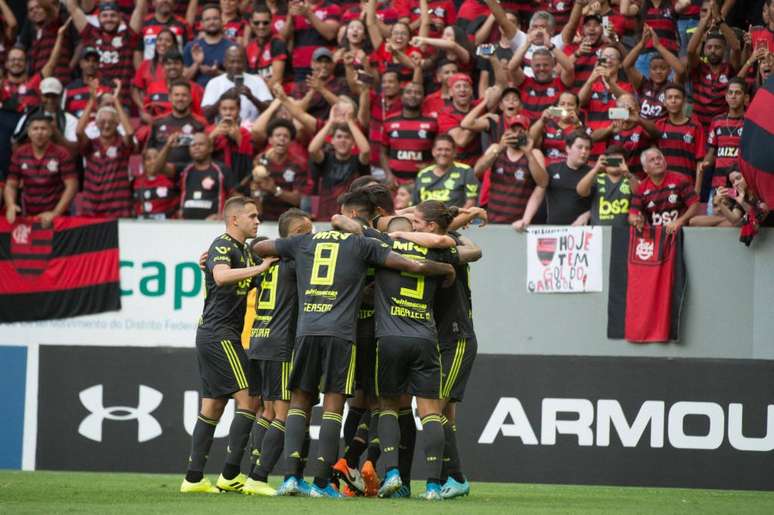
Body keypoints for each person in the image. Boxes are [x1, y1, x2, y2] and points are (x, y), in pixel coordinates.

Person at [251, 209, 455, 498]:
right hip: (342, 334)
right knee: (333, 407)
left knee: (299, 402)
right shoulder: (362, 245)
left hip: (307, 330)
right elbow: (412, 266)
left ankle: (290, 479)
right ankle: (323, 484)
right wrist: (444, 270)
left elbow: (258, 246)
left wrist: (279, 253)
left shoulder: (304, 242)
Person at [180, 196, 277, 494]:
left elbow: (218, 277)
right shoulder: (223, 244)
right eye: (252, 216)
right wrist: (260, 269)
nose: (258, 221)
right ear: (235, 219)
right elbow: (221, 277)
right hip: (218, 334)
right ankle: (231, 474)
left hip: (217, 334)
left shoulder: (243, 252)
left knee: (213, 405)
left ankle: (193, 479)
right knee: (249, 400)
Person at [242, 208, 314, 496]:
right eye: (305, 233)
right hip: (282, 343)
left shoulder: (269, 262)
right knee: (285, 412)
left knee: (268, 411)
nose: (311, 237)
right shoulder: (296, 264)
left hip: (259, 340)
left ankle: (254, 470)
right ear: (292, 236)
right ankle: (258, 477)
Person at [66, 0, 145, 106]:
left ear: (120, 18)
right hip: (95, 102)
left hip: (121, 102)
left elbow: (140, 8)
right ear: (98, 18)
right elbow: (73, 8)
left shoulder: (128, 36)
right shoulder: (91, 34)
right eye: (105, 16)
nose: (109, 19)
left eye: (113, 15)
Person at [75, 80, 136, 218]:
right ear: (96, 124)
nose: (106, 126)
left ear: (117, 123)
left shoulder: (122, 145)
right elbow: (79, 132)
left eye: (111, 122)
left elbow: (130, 133)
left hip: (118, 208)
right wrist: (92, 101)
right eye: (102, 122)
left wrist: (116, 101)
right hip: (91, 207)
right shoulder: (90, 145)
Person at [4, 114, 77, 228]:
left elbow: (72, 186)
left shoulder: (62, 153)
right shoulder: (20, 153)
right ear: (29, 132)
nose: (39, 132)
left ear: (50, 132)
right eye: (35, 129)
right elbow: (11, 185)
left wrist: (55, 213)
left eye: (43, 128)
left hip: (58, 219)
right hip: (28, 216)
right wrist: (10, 205)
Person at [474, 115, 547, 224]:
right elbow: (477, 171)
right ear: (506, 131)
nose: (517, 134)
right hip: (493, 219)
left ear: (527, 133)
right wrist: (499, 148)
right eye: (513, 130)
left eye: (521, 131)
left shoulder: (535, 154)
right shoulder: (495, 148)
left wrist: (528, 153)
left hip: (520, 223)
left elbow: (543, 183)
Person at [514, 130, 593, 230]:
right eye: (580, 147)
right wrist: (526, 219)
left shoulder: (593, 173)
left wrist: (587, 215)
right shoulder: (552, 169)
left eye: (587, 148)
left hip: (583, 232)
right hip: (553, 232)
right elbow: (537, 195)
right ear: (568, 148)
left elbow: (600, 203)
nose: (584, 152)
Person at [308, 104, 370, 220]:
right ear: (332, 141)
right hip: (325, 216)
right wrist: (331, 122)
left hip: (351, 217)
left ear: (353, 142)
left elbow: (366, 151)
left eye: (347, 137)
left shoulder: (358, 161)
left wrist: (350, 122)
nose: (342, 140)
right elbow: (312, 149)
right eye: (339, 137)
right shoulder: (325, 159)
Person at [686, 1, 741, 130]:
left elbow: (737, 48)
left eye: (717, 47)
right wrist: (705, 20)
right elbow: (690, 51)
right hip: (698, 128)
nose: (712, 50)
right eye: (709, 47)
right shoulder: (699, 67)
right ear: (704, 49)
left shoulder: (729, 69)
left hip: (722, 127)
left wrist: (719, 20)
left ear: (724, 50)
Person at [248, 119, 308, 221]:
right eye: (278, 135)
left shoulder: (298, 164)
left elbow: (297, 199)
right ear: (270, 140)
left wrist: (275, 190)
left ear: (291, 141)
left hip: (289, 222)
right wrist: (255, 191)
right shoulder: (260, 160)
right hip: (265, 220)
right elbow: (256, 194)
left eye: (286, 136)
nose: (282, 139)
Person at [629, 147, 699, 232]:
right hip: (654, 236)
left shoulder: (680, 179)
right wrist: (636, 220)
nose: (657, 162)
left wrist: (680, 221)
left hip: (680, 232)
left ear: (665, 162)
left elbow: (695, 205)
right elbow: (632, 215)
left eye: (659, 158)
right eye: (652, 160)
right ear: (645, 169)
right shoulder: (641, 189)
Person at [623, 24, 685, 120]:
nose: (658, 71)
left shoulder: (671, 86)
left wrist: (658, 46)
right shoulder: (643, 84)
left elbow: (680, 70)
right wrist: (642, 43)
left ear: (669, 71)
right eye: (654, 68)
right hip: (642, 129)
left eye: (663, 68)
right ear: (649, 71)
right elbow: (626, 65)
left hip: (661, 131)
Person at [381, 81, 438, 186]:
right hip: (395, 184)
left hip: (424, 182)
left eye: (418, 93)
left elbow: (440, 152)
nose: (413, 95)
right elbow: (383, 152)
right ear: (402, 96)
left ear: (423, 97)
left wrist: (431, 168)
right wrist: (388, 175)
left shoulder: (433, 123)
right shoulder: (389, 121)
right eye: (409, 92)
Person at [146, 80, 209, 176]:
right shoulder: (158, 122)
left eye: (184, 95)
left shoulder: (200, 123)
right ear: (170, 98)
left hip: (190, 174)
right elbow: (150, 150)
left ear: (190, 98)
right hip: (162, 175)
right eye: (176, 95)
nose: (180, 98)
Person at [654, 83, 706, 194]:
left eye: (677, 97)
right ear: (664, 102)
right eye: (669, 97)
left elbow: (700, 162)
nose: (673, 101)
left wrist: (697, 190)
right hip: (662, 187)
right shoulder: (658, 125)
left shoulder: (696, 127)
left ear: (684, 101)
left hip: (686, 187)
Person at [699, 78, 748, 198]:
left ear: (746, 98)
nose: (733, 96)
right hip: (719, 186)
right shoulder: (717, 121)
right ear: (726, 97)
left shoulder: (750, 122)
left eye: (738, 93)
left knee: (737, 217)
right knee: (716, 215)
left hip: (742, 186)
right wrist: (705, 163)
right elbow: (712, 151)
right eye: (730, 93)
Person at [201, 45, 273, 124]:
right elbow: (206, 115)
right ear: (225, 62)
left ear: (245, 63)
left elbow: (270, 111)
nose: (236, 65)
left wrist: (251, 97)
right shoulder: (214, 83)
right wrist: (223, 98)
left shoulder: (257, 81)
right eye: (232, 62)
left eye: (239, 62)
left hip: (252, 131)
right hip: (222, 130)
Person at [176, 132, 235, 220]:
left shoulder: (222, 169)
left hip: (213, 226)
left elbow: (237, 198)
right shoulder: (185, 170)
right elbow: (156, 170)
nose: (196, 147)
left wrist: (223, 216)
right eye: (193, 145)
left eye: (201, 144)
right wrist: (168, 146)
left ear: (210, 148)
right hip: (186, 225)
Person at [576, 145, 638, 226]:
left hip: (625, 232)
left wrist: (627, 174)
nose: (614, 163)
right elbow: (581, 191)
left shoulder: (631, 179)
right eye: (611, 160)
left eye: (618, 161)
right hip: (598, 232)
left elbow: (639, 193)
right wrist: (596, 169)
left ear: (625, 163)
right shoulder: (596, 178)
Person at [413, 135, 479, 209]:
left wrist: (456, 220)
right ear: (433, 152)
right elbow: (415, 205)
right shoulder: (422, 174)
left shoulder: (466, 171)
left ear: (454, 152)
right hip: (426, 219)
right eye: (439, 149)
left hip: (457, 218)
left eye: (447, 150)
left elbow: (471, 203)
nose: (443, 153)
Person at [284, 0, 341, 83]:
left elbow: (330, 34)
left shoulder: (332, 8)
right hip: (300, 68)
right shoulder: (296, 8)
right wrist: (289, 16)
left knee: (324, 94)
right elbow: (284, 38)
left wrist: (308, 14)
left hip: (324, 66)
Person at [141, 48, 205, 122]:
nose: (172, 67)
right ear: (163, 66)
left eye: (176, 63)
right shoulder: (153, 87)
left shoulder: (195, 88)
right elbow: (145, 111)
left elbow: (200, 116)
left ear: (183, 66)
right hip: (157, 128)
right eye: (168, 64)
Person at [183, 3, 234, 86]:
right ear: (201, 23)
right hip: (197, 96)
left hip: (226, 95)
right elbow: (183, 79)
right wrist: (197, 64)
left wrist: (217, 73)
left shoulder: (232, 48)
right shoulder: (191, 47)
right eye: (207, 19)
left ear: (222, 21)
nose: (212, 22)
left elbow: (238, 79)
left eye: (215, 18)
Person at [245, 5, 288, 85]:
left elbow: (277, 81)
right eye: (256, 23)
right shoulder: (249, 47)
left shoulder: (278, 43)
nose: (261, 26)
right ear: (251, 22)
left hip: (279, 95)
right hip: (257, 94)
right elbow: (247, 78)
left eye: (265, 23)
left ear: (271, 22)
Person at [133, 147, 177, 219]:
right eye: (148, 159)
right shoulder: (137, 181)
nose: (153, 161)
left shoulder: (170, 177)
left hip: (166, 224)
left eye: (156, 158)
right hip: (142, 224)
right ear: (143, 163)